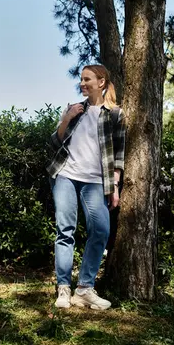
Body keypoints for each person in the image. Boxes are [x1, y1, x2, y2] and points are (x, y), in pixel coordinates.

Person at [46, 64, 126, 310]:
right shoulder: (75, 110)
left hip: (95, 181)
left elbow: (119, 153)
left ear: (101, 82)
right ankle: (63, 288)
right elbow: (55, 141)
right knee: (65, 230)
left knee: (101, 230)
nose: (82, 83)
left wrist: (115, 186)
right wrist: (66, 118)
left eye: (87, 79)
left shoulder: (114, 114)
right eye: (81, 79)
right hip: (66, 175)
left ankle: (84, 288)